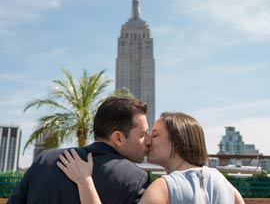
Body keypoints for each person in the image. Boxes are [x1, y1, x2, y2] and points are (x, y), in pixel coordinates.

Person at [58, 112, 245, 204]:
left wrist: (85, 182)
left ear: (176, 140)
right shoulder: (222, 181)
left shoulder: (163, 187)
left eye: (154, 135)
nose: (148, 141)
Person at [8, 96, 151, 204]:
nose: (148, 141)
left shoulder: (45, 159)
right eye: (142, 135)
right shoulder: (136, 178)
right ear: (118, 138)